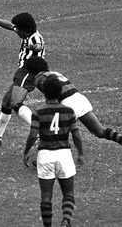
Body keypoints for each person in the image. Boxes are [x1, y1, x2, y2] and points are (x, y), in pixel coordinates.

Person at [24, 56, 122, 163]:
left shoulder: (39, 78)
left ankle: (48, 159)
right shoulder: (55, 73)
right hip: (79, 99)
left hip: (67, 103)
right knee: (100, 131)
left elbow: (52, 94)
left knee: (53, 132)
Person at [23, 75, 84, 227]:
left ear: (44, 92)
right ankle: (65, 221)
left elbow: (32, 135)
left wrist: (26, 151)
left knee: (46, 196)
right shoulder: (69, 111)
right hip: (64, 154)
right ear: (60, 92)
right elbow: (76, 134)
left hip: (45, 155)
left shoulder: (39, 112)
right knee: (68, 193)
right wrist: (81, 153)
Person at [0, 12, 44, 148]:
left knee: (15, 103)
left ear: (25, 29)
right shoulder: (25, 32)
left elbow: (39, 45)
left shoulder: (35, 37)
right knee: (6, 103)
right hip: (22, 72)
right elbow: (10, 26)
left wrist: (34, 48)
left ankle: (40, 130)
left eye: (18, 29)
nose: (16, 32)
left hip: (29, 72)